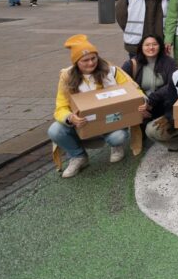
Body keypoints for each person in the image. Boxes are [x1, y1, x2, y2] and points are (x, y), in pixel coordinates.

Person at [49, 35, 143, 178]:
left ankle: (116, 146)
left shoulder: (112, 71)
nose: (91, 63)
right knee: (55, 130)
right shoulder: (67, 77)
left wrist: (143, 101)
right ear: (76, 62)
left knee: (118, 137)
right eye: (85, 60)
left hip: (112, 121)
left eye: (93, 58)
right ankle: (79, 157)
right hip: (82, 125)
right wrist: (70, 117)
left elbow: (134, 90)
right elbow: (60, 107)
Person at [121, 35, 176, 105]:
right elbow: (124, 87)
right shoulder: (131, 64)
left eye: (155, 44)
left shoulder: (169, 62)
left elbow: (172, 84)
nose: (151, 47)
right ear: (141, 47)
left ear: (160, 46)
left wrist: (150, 100)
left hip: (162, 104)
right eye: (147, 45)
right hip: (139, 105)